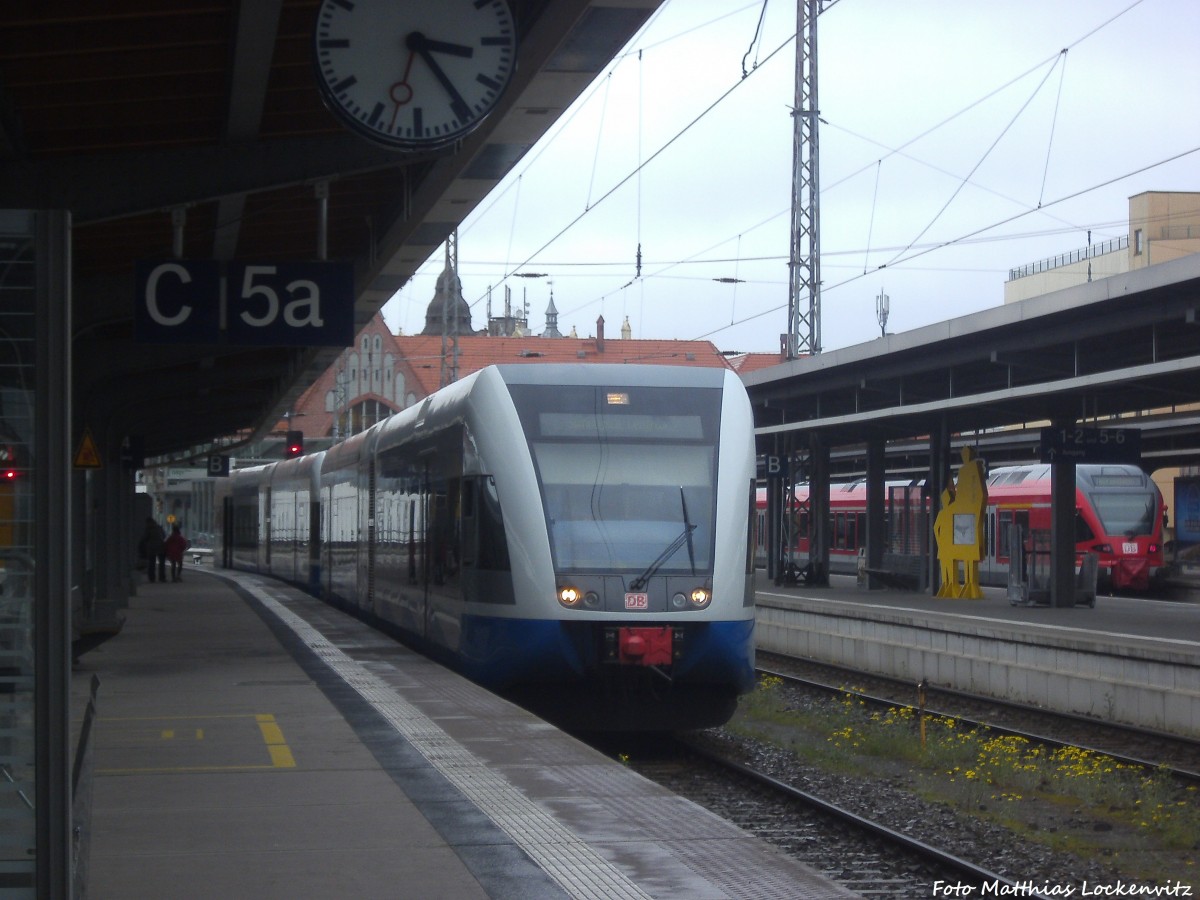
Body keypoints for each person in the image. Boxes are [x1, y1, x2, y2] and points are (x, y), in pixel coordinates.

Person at [138, 517, 167, 583]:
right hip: (161, 547)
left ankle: (152, 578)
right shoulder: (159, 527)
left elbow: (144, 538)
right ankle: (162, 577)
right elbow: (164, 536)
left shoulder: (148, 529)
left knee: (151, 564)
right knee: (161, 564)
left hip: (151, 548)